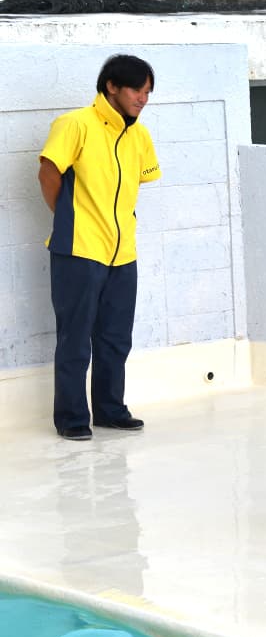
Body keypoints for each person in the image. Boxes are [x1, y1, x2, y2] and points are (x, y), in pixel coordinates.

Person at [38, 54, 161, 441]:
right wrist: (71, 219)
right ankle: (72, 418)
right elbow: (48, 172)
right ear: (111, 87)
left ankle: (110, 410)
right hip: (78, 249)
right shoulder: (75, 124)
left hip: (123, 252)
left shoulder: (138, 134)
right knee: (75, 339)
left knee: (115, 337)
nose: (143, 99)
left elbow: (135, 187)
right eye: (137, 90)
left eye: (147, 92)